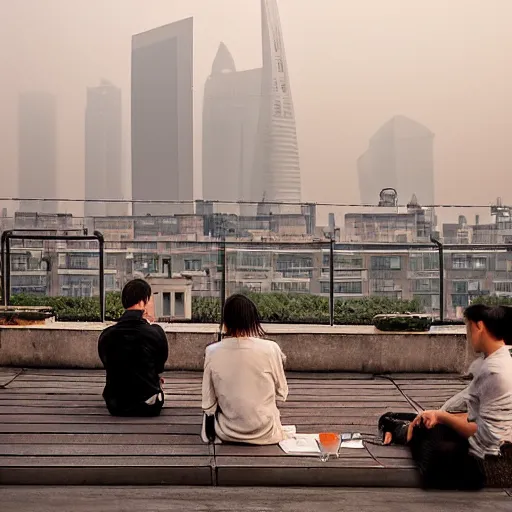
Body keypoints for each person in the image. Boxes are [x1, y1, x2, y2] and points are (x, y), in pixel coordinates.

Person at [379, 304, 512, 489]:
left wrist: (441, 417)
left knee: (431, 439)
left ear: (478, 326)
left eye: (468, 328)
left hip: (491, 462)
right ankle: (399, 426)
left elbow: (478, 429)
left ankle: (400, 428)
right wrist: (440, 417)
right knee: (422, 421)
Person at [201, 294, 288, 445]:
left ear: (226, 321)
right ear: (253, 320)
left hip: (226, 431)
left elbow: (208, 403)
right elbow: (282, 393)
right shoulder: (271, 348)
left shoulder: (212, 351)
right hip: (266, 432)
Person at [98, 279, 168, 417]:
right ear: (143, 302)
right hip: (149, 406)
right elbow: (159, 367)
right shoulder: (155, 333)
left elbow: (107, 363)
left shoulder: (107, 335)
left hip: (116, 406)